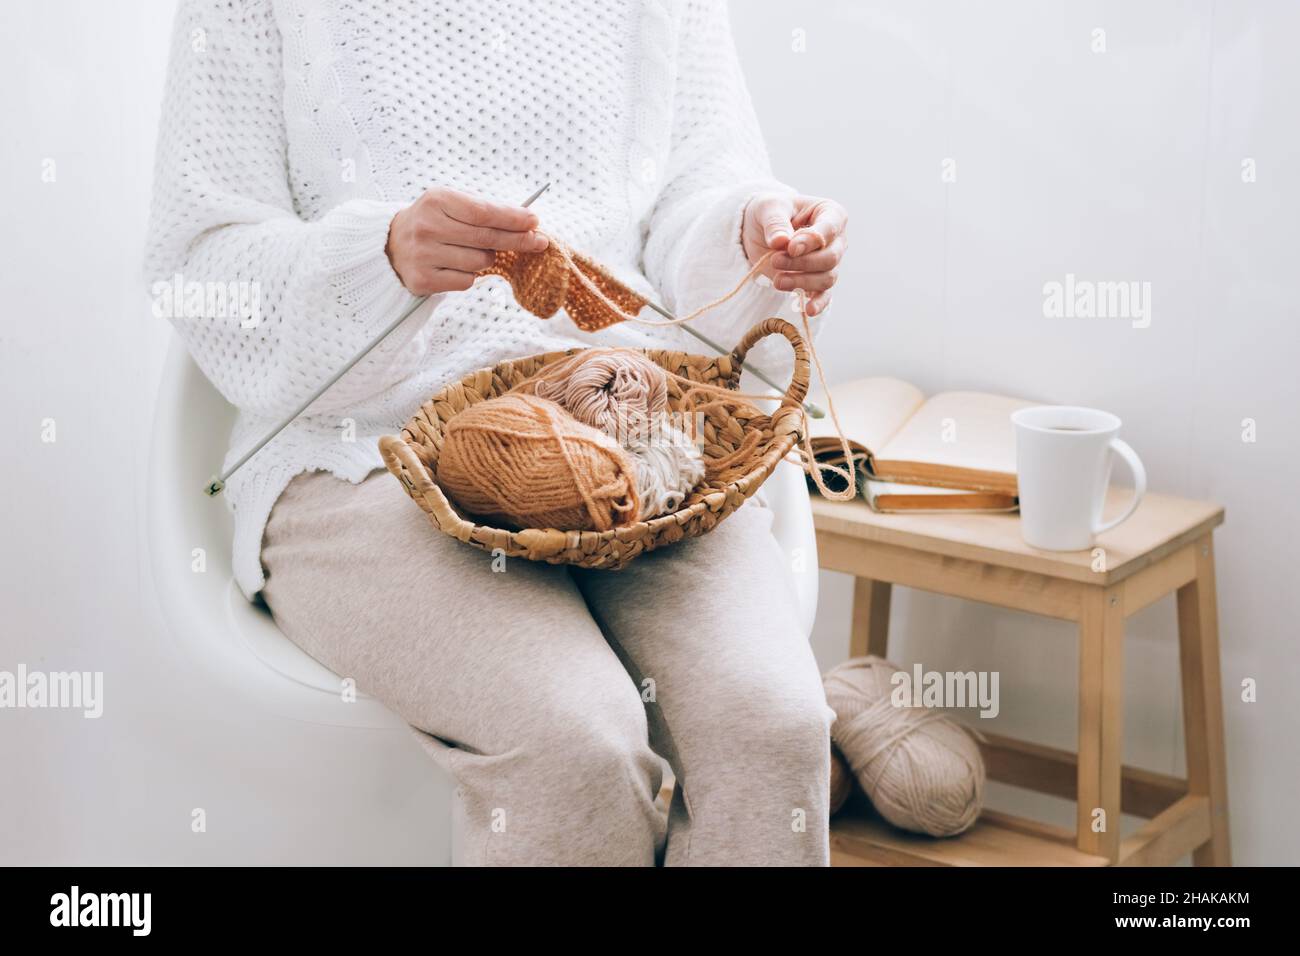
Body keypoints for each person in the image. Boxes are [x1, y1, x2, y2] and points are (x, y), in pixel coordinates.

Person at [145, 0, 849, 866]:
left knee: (772, 729)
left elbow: (695, 193)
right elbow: (198, 264)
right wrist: (383, 259)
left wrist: (752, 235)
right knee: (574, 746)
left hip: (625, 433)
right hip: (364, 457)